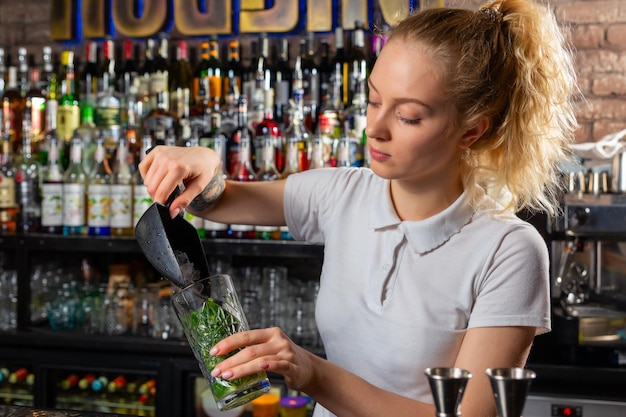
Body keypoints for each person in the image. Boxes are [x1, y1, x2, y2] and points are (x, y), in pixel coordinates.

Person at [139, 0, 579, 415]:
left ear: (471, 131)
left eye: (408, 116)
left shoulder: (508, 250)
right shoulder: (343, 194)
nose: (376, 128)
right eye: (373, 100)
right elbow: (223, 198)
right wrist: (202, 164)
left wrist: (312, 373)